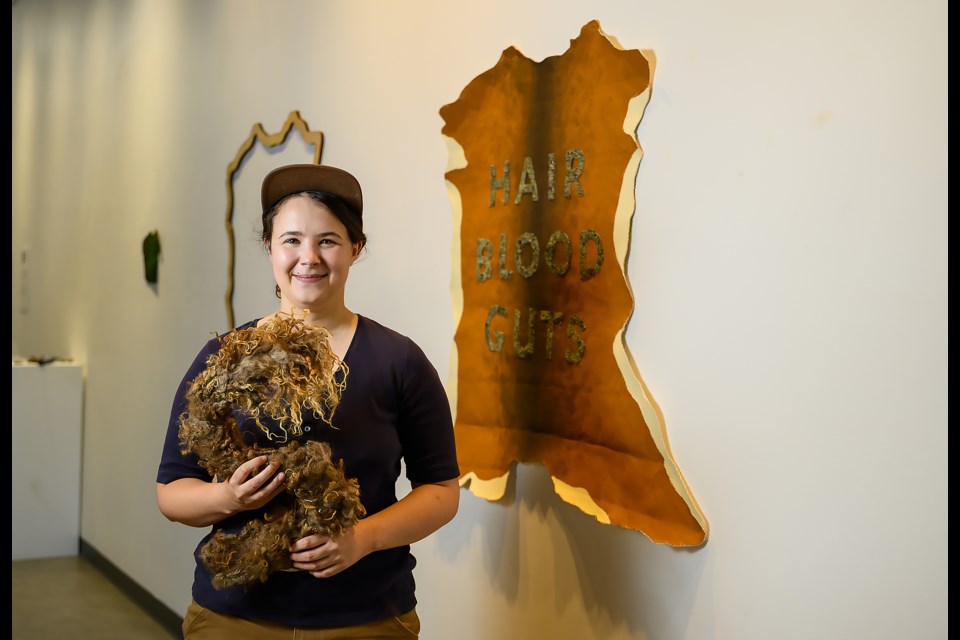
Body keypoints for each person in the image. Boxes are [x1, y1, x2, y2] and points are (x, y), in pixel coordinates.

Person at [156, 163, 460, 639]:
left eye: (329, 240)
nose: (309, 257)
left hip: (366, 616)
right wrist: (228, 497)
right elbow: (173, 490)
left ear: (355, 249)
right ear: (270, 248)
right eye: (292, 239)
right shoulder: (223, 358)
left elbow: (441, 492)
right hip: (234, 616)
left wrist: (362, 538)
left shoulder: (398, 360)